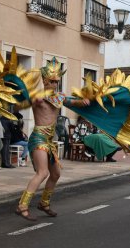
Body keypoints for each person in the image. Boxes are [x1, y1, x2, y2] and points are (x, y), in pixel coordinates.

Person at [16, 58, 90, 221]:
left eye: (57, 81)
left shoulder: (59, 97)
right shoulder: (38, 97)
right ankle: (22, 205)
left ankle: (44, 203)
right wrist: (29, 101)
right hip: (38, 139)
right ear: (44, 80)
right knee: (42, 172)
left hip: (50, 141)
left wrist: (84, 101)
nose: (55, 84)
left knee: (56, 173)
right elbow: (19, 105)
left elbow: (74, 102)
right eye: (52, 81)